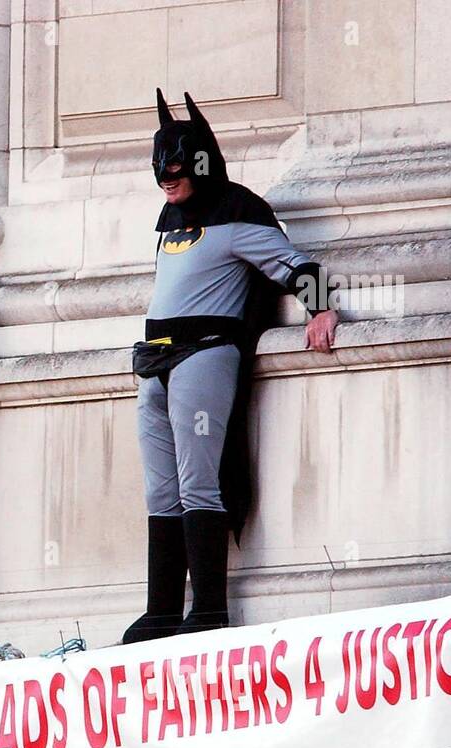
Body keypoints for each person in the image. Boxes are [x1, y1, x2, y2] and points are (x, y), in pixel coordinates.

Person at [122, 90, 340, 644]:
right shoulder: (170, 219)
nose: (166, 179)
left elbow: (295, 264)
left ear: (199, 162)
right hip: (154, 359)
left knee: (199, 482)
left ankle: (211, 609)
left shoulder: (236, 211)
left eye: (175, 167)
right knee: (159, 488)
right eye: (159, 168)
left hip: (205, 354)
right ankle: (164, 609)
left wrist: (320, 309)